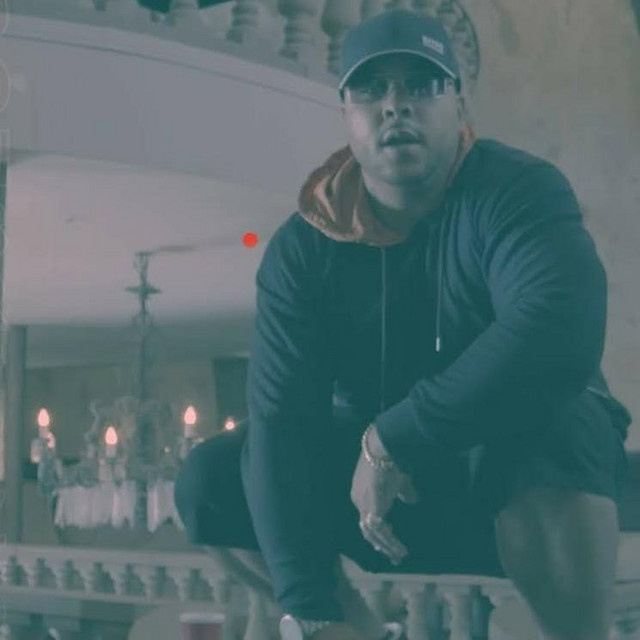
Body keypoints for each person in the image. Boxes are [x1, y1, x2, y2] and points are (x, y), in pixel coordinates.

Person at [175, 9, 633, 640]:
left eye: (421, 84)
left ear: (458, 103)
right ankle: (343, 628)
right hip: (387, 503)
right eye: (372, 88)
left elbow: (557, 329)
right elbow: (283, 422)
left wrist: (394, 438)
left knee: (563, 417)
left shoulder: (518, 190)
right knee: (214, 479)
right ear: (346, 111)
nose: (396, 104)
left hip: (522, 477)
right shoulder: (301, 250)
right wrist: (308, 605)